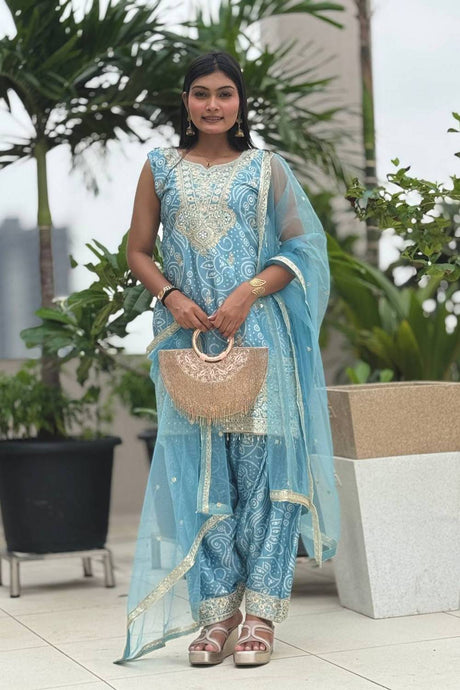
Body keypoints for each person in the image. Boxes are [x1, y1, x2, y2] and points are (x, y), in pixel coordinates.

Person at [115, 50, 339, 668]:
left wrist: (249, 292)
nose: (212, 105)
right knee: (202, 478)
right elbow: (138, 251)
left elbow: (304, 246)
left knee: (265, 476)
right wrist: (172, 296)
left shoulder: (267, 168)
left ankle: (261, 614)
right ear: (185, 102)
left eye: (224, 93)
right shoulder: (160, 167)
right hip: (187, 341)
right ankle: (216, 613)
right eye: (201, 93)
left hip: (259, 336)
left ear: (240, 103)